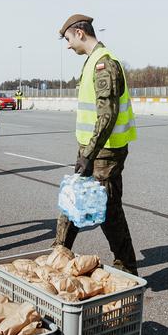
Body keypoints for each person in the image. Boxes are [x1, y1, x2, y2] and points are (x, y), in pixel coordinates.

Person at [51, 14, 139, 275]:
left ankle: (128, 270)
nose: (67, 45)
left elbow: (107, 114)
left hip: (105, 152)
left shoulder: (104, 64)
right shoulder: (92, 62)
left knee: (109, 211)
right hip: (93, 150)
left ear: (80, 33)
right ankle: (58, 254)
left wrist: (88, 154)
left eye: (68, 39)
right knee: (73, 201)